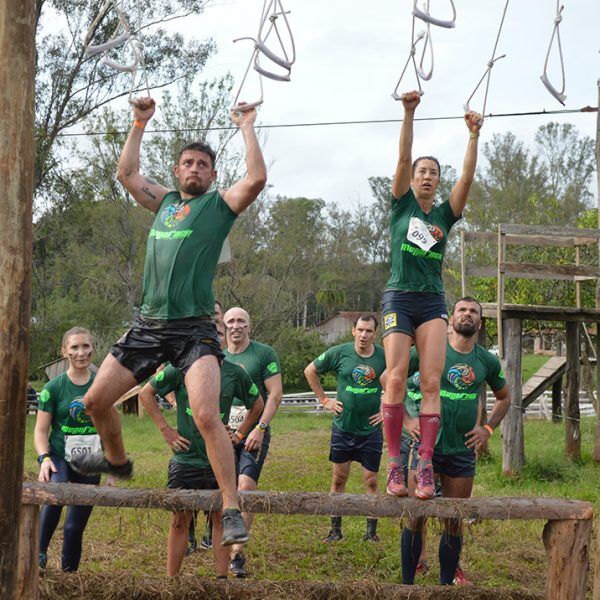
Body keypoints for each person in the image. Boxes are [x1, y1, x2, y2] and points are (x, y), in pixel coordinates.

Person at [70, 96, 266, 547]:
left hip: (194, 328)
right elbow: (126, 175)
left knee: (202, 413)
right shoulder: (163, 203)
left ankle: (230, 506)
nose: (194, 168)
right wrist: (140, 122)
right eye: (187, 163)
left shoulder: (218, 206)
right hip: (147, 325)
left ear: (213, 174)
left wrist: (247, 125)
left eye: (202, 164)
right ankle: (117, 461)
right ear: (177, 172)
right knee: (96, 402)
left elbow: (256, 178)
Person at [381, 91, 482, 499]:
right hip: (398, 298)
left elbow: (468, 181)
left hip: (432, 302)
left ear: (438, 182)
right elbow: (402, 161)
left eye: (432, 173)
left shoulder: (443, 216)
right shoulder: (401, 205)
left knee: (433, 380)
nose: (426, 177)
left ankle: (424, 463)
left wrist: (473, 135)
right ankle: (394, 465)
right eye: (422, 171)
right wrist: (408, 113)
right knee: (395, 377)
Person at [139, 321, 264, 577]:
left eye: (217, 334)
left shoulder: (234, 372)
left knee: (219, 519)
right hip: (185, 460)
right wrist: (166, 430)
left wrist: (240, 434)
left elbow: (258, 403)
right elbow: (146, 393)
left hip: (217, 461)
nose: (212, 339)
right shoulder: (180, 369)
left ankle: (221, 580)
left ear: (222, 340)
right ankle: (171, 581)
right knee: (179, 521)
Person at [400, 297, 510, 585]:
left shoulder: (486, 360)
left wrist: (487, 428)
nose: (467, 315)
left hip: (461, 451)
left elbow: (505, 397)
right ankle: (406, 585)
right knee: (415, 514)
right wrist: (408, 420)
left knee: (454, 517)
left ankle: (445, 584)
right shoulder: (427, 350)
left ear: (480, 323)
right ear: (450, 319)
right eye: (461, 310)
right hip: (426, 448)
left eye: (474, 312)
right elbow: (392, 380)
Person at [304, 315, 386, 543]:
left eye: (369, 331)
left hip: (370, 430)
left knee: (370, 481)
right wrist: (324, 400)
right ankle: (335, 530)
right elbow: (310, 370)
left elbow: (398, 379)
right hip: (343, 427)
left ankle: (371, 533)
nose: (363, 335)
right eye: (360, 330)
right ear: (353, 331)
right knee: (339, 479)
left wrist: (387, 407)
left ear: (375, 334)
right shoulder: (339, 352)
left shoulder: (383, 355)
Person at [34, 327, 101, 571]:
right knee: (56, 493)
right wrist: (43, 458)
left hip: (90, 460)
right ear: (64, 352)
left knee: (74, 527)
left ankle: (69, 576)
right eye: (74, 347)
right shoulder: (53, 388)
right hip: (58, 457)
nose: (81, 353)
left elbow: (110, 430)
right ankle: (38, 554)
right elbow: (41, 431)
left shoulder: (102, 385)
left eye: (86, 346)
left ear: (93, 348)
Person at [222, 306, 283, 577]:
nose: (236, 326)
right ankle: (214, 538)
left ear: (249, 325)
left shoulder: (264, 353)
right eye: (231, 321)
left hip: (253, 432)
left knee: (245, 487)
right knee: (224, 488)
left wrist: (260, 427)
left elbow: (275, 394)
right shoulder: (216, 355)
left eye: (241, 321)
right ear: (224, 326)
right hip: (221, 432)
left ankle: (237, 555)